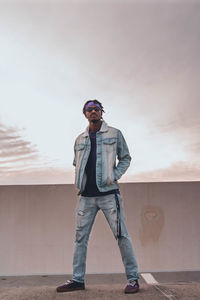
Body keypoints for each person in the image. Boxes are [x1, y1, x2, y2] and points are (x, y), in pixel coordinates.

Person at [56, 100, 139, 294]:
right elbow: (76, 163)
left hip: (109, 194)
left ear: (102, 112)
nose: (93, 112)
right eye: (89, 110)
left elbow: (125, 157)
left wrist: (114, 175)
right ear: (85, 114)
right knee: (80, 238)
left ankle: (133, 279)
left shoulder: (114, 134)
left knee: (122, 236)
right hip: (86, 196)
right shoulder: (79, 139)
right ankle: (77, 280)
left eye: (96, 109)